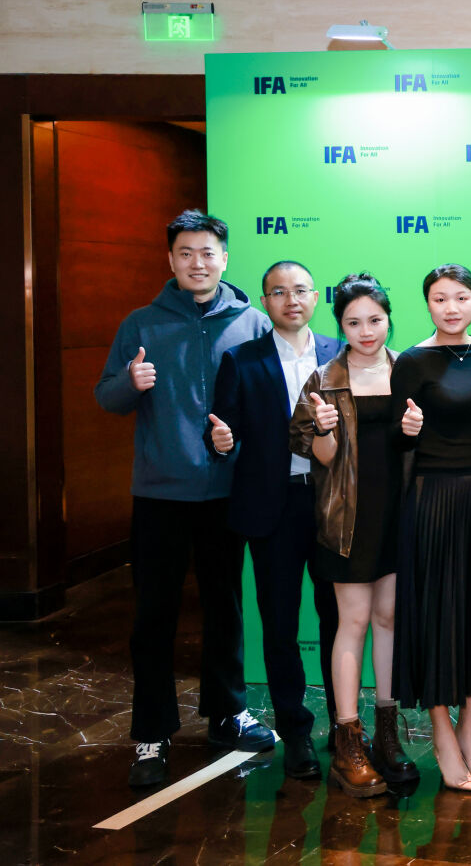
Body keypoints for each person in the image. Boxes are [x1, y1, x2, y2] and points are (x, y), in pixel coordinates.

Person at [94, 210, 274, 788]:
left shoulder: (252, 323)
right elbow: (106, 396)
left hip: (226, 492)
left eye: (208, 253)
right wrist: (130, 384)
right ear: (170, 259)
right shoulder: (141, 323)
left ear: (225, 258)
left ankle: (227, 713)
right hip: (160, 494)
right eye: (186, 253)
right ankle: (151, 732)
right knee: (154, 615)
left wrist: (236, 441)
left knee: (225, 607)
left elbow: (267, 406)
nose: (198, 263)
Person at [207, 260, 340, 782]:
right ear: (265, 302)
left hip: (333, 505)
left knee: (339, 620)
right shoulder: (241, 360)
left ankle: (346, 726)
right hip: (272, 507)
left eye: (301, 290)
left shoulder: (340, 353)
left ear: (315, 296)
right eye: (279, 292)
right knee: (281, 626)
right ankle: (296, 731)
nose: (291, 300)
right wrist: (222, 442)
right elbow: (223, 433)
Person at [391, 264, 471, 792]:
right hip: (433, 500)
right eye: (440, 298)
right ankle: (442, 734)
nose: (451, 307)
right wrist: (406, 430)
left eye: (461, 297)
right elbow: (394, 442)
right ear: (427, 304)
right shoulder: (412, 361)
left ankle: (470, 730)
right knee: (439, 617)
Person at [290, 273, 417, 796]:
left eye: (375, 320)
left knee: (389, 619)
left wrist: (417, 432)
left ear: (389, 319)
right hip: (347, 521)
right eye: (353, 322)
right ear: (340, 326)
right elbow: (320, 458)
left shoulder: (407, 370)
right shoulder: (324, 379)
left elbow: (420, 446)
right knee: (355, 621)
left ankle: (387, 735)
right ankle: (348, 742)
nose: (366, 331)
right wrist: (324, 428)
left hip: (399, 515)